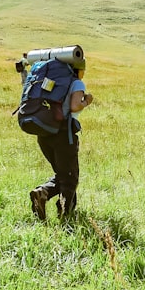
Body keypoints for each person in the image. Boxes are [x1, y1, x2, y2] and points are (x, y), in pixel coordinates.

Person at [30, 58, 93, 220]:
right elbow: (74, 106)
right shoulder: (76, 82)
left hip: (44, 133)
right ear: (78, 70)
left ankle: (51, 200)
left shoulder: (50, 80)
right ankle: (65, 215)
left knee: (63, 174)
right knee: (70, 178)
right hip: (64, 135)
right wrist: (86, 101)